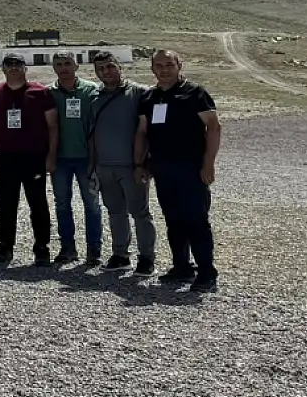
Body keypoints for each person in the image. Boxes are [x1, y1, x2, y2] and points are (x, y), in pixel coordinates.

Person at [138, 50, 221, 291]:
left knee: (196, 220)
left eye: (169, 64)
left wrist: (208, 163)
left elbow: (214, 128)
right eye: (159, 65)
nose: (164, 69)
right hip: (163, 170)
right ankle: (182, 267)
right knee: (173, 221)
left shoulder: (195, 93)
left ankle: (206, 272)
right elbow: (142, 133)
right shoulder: (149, 97)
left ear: (179, 65)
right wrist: (141, 163)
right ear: (152, 68)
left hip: (192, 169)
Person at [88, 51, 155, 274]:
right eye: (101, 69)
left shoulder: (140, 93)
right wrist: (93, 166)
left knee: (140, 212)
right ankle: (120, 254)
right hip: (105, 166)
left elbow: (149, 132)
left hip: (132, 166)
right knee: (115, 212)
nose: (106, 72)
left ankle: (146, 257)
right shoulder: (95, 98)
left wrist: (144, 164)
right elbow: (92, 134)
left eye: (110, 66)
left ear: (119, 66)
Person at [0, 54, 59, 267]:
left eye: (17, 65)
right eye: (9, 65)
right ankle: (5, 247)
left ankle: (42, 249)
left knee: (37, 205)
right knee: (6, 206)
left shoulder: (40, 92)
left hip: (34, 158)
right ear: (3, 69)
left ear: (25, 68)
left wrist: (51, 156)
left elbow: (53, 126)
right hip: (5, 158)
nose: (13, 68)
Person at [48, 53, 102, 265]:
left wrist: (95, 159)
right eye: (59, 64)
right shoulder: (49, 93)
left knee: (92, 204)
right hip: (60, 159)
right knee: (62, 204)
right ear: (53, 68)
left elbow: (96, 127)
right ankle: (68, 248)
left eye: (68, 63)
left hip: (85, 158)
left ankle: (94, 249)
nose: (64, 68)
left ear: (76, 65)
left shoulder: (90, 91)